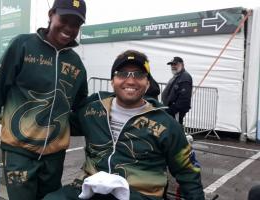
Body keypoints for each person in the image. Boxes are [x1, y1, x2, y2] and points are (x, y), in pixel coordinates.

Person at [44, 50, 204, 200]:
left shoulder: (167, 124)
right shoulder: (91, 110)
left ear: (147, 83)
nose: (130, 80)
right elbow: (54, 122)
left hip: (141, 194)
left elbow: (188, 173)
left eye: (139, 75)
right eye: (122, 74)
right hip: (89, 188)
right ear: (112, 81)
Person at [0, 0, 88, 199]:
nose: (69, 28)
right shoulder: (23, 45)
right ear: (51, 14)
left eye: (76, 24)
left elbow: (80, 107)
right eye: (64, 19)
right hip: (19, 151)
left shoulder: (76, 63)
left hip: (55, 157)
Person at [161, 56, 193, 125]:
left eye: (175, 64)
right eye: (171, 64)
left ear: (182, 65)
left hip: (175, 112)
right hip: (170, 110)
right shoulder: (177, 75)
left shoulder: (185, 77)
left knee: (176, 130)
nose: (173, 66)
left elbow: (184, 98)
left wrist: (173, 110)